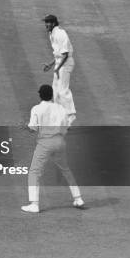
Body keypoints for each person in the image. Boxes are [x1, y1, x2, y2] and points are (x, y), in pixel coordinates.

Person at [21, 85, 85, 213]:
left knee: (34, 172)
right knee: (66, 170)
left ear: (40, 95)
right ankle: (78, 198)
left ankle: (34, 204)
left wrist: (24, 127)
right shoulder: (61, 108)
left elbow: (33, 128)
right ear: (51, 95)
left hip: (45, 143)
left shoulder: (37, 109)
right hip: (60, 142)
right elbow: (66, 127)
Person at [41, 14, 76, 125]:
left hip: (65, 64)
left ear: (53, 23)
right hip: (59, 63)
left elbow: (65, 55)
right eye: (45, 22)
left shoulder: (60, 34)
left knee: (63, 90)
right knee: (55, 91)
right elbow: (58, 55)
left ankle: (70, 117)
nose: (46, 25)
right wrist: (51, 65)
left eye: (48, 22)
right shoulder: (52, 34)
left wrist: (58, 69)